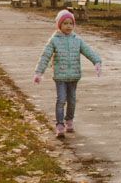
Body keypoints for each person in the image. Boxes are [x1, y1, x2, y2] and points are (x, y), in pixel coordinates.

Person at [34, 9, 102, 139]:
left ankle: (69, 120)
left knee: (72, 100)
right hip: (60, 76)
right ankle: (60, 125)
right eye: (65, 23)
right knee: (61, 100)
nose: (68, 26)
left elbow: (88, 51)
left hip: (74, 76)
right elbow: (45, 56)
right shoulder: (54, 40)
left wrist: (97, 62)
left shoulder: (77, 40)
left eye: (71, 23)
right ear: (59, 25)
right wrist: (39, 72)